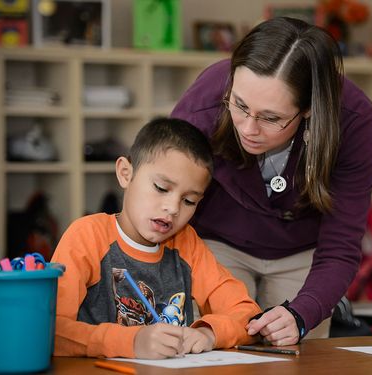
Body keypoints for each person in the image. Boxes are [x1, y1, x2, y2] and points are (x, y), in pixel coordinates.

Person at [171, 17, 372, 345]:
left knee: (299, 357)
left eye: (271, 118)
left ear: (310, 109)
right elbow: (167, 195)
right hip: (215, 244)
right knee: (216, 348)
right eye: (239, 105)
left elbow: (341, 244)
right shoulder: (205, 101)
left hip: (304, 254)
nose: (248, 128)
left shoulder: (353, 120)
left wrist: (302, 313)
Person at [51, 117, 261, 359]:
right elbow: (51, 330)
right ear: (125, 174)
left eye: (189, 201)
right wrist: (131, 342)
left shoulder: (185, 243)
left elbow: (246, 314)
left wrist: (209, 334)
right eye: (161, 188)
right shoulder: (88, 237)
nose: (173, 208)